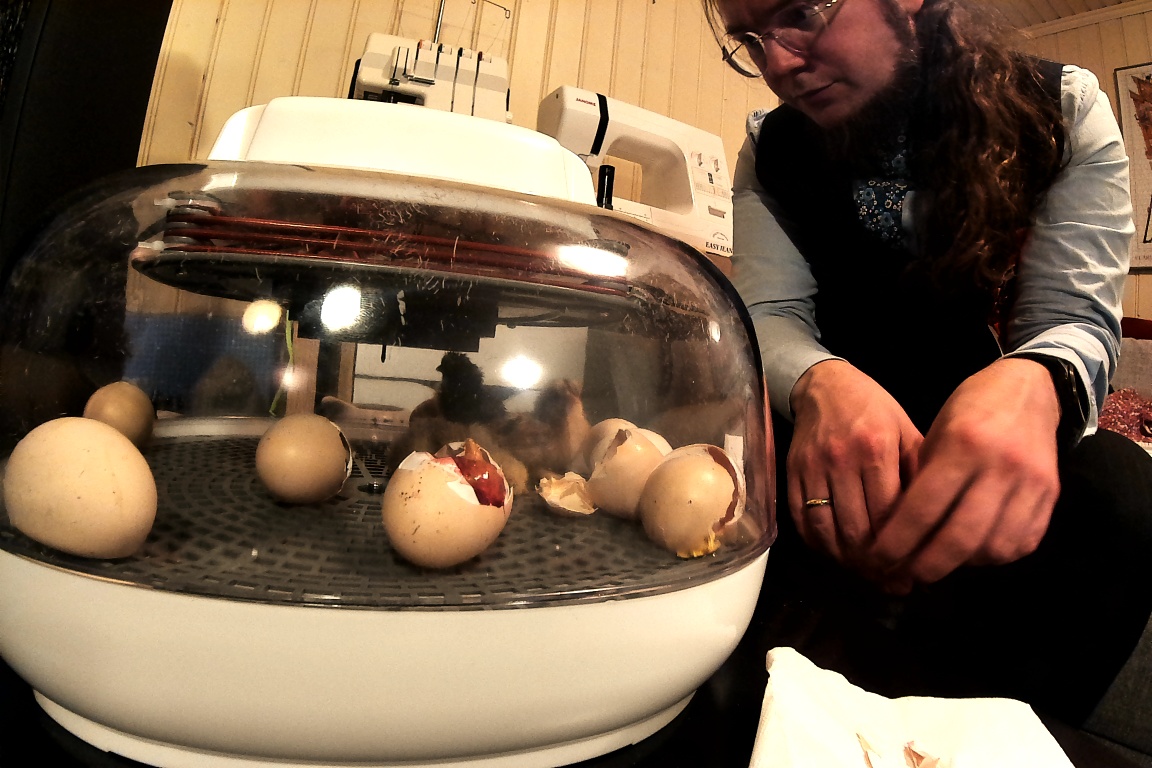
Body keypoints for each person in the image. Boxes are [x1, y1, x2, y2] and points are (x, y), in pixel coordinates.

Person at [704, 0, 1152, 754]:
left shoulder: (1064, 110)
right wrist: (819, 382)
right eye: (750, 40)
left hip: (985, 468)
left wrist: (1036, 379)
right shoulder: (770, 146)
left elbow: (1074, 317)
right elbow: (770, 312)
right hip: (819, 456)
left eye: (801, 13)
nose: (776, 62)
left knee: (1121, 493)